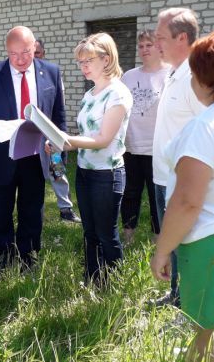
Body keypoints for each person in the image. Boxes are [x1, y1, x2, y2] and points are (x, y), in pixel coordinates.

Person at [151, 30, 214, 362]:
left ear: (202, 78)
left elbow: (187, 201)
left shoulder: (206, 127)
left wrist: (162, 251)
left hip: (210, 242)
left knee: (208, 329)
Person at [0, 26, 66, 270]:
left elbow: (58, 119)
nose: (21, 59)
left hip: (37, 157)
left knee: (32, 213)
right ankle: (1, 267)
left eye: (26, 52)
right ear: (6, 51)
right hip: (3, 157)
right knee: (0, 215)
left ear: (35, 46)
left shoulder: (52, 73)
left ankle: (28, 262)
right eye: (14, 54)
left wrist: (56, 157)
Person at [48, 32, 133, 284]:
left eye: (88, 61)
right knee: (89, 232)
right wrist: (58, 141)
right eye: (80, 62)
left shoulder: (118, 93)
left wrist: (67, 141)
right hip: (85, 171)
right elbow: (86, 134)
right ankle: (93, 279)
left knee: (107, 233)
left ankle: (114, 286)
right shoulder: (90, 94)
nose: (83, 66)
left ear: (106, 59)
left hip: (108, 175)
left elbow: (104, 139)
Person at [152, 8, 205, 307]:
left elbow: (208, 133)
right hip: (163, 176)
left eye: (160, 38)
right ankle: (176, 294)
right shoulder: (174, 72)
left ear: (181, 37)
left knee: (186, 244)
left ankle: (190, 304)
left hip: (181, 181)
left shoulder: (196, 77)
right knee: (173, 242)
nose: (156, 43)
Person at [119, 30, 169, 245]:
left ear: (160, 47)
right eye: (141, 46)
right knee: (130, 192)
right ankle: (128, 235)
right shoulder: (129, 76)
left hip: (158, 148)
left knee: (156, 193)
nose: (144, 49)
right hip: (130, 146)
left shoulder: (170, 74)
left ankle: (159, 239)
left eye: (149, 45)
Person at [35, 38, 81, 223]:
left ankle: (66, 210)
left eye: (37, 53)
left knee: (57, 170)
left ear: (43, 54)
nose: (34, 57)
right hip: (30, 136)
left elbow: (59, 107)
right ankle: (37, 211)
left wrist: (59, 135)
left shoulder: (51, 74)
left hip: (49, 133)